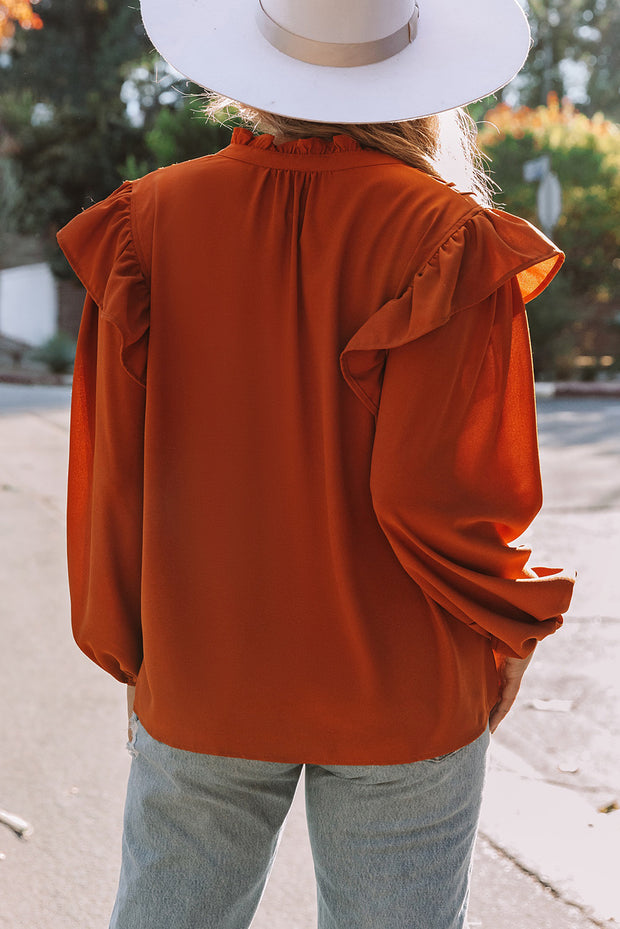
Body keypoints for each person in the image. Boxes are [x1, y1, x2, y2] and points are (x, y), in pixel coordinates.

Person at [57, 1, 575, 927]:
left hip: (206, 668)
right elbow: (447, 495)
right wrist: (509, 625)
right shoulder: (449, 238)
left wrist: (134, 650)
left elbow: (113, 480)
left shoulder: (148, 224)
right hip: (402, 679)